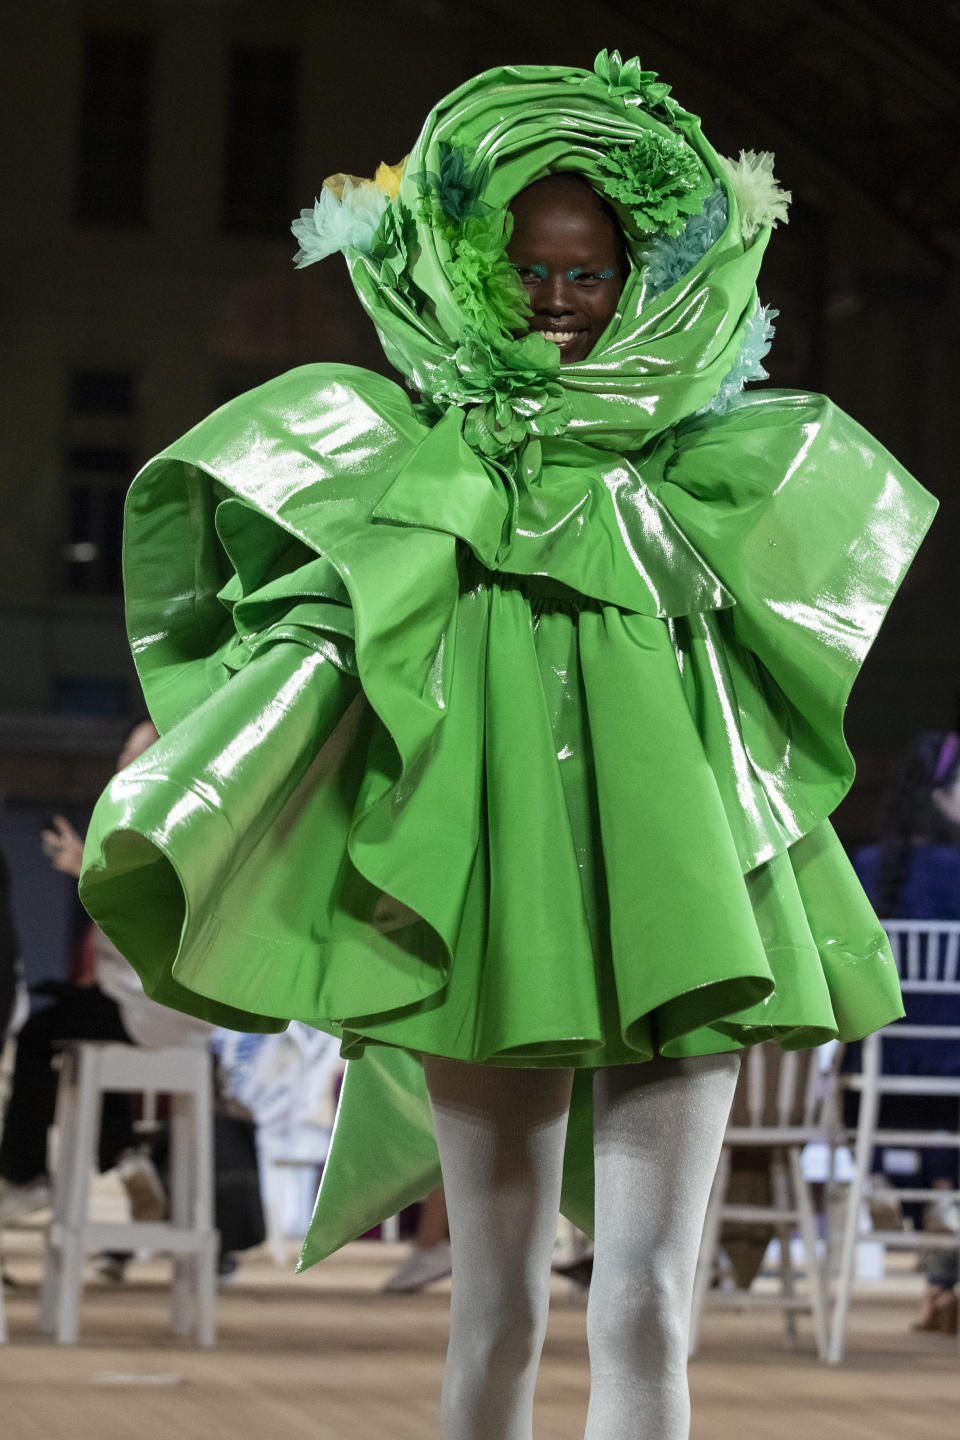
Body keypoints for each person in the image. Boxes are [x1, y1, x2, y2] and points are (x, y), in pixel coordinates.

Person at [77, 54, 935, 1439]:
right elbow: (313, 654)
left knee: (650, 1304)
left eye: (589, 275)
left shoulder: (691, 481)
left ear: (634, 281)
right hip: (493, 939)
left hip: (688, 927)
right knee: (501, 1312)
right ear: (475, 267)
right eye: (531, 268)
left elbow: (765, 691)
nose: (557, 299)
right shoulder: (417, 473)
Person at [0, 720, 212, 1227]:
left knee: (38, 1034)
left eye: (131, 754)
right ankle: (123, 1155)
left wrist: (84, 870)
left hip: (153, 1004)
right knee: (82, 1024)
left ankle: (25, 1176)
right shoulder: (188, 817)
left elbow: (143, 906)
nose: (121, 762)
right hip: (170, 1007)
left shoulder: (149, 821)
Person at [853, 729, 960, 1336]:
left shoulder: (867, 870)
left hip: (877, 1088)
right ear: (940, 795)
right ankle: (943, 1255)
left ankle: (935, 1245)